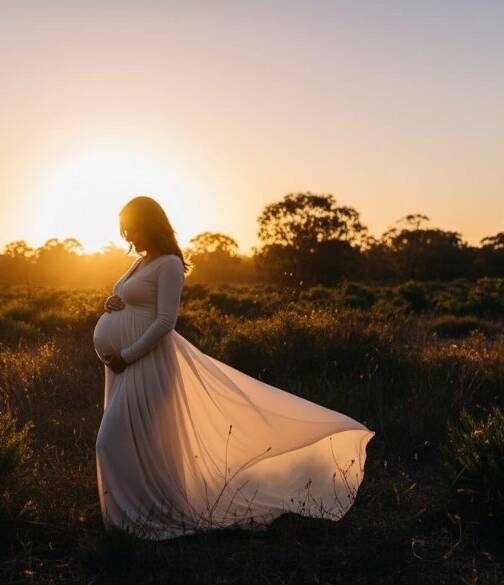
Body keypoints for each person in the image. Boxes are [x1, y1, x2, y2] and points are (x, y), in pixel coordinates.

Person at [92, 196, 375, 540]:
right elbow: (132, 300)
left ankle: (142, 518)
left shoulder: (168, 263)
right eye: (125, 229)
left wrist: (129, 354)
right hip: (124, 365)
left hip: (146, 363)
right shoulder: (139, 263)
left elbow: (165, 321)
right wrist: (112, 303)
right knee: (137, 444)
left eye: (133, 227)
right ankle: (130, 518)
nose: (128, 235)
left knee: (112, 441)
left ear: (150, 224)